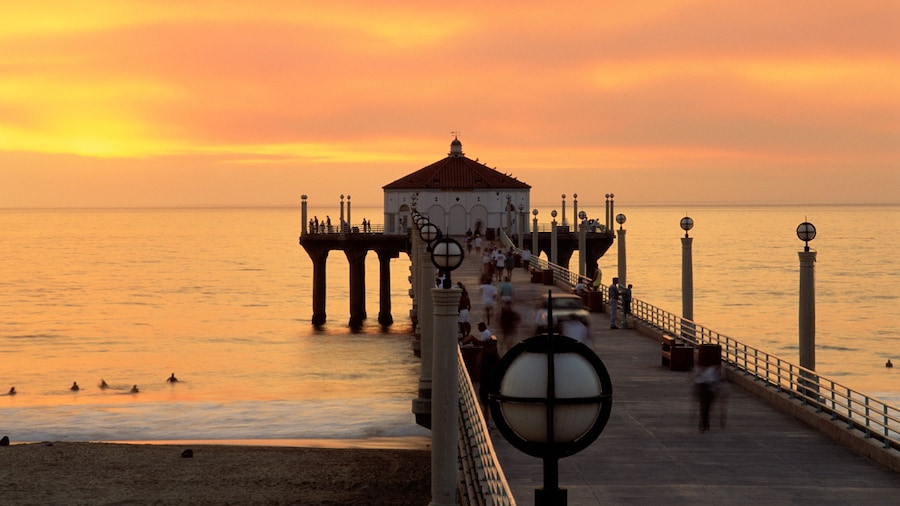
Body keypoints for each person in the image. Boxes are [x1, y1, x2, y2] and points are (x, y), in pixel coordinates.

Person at [476, 336, 500, 429]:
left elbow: (477, 368)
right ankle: (492, 422)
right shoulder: (495, 356)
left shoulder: (482, 355)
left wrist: (478, 377)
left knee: (486, 405)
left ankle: (487, 422)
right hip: (493, 382)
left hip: (485, 382)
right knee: (493, 404)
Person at [694, 361, 722, 432]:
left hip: (707, 390)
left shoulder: (711, 369)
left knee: (705, 407)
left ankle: (704, 422)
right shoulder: (710, 370)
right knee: (705, 407)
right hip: (704, 389)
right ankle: (704, 423)